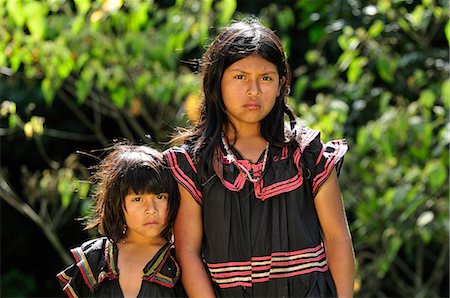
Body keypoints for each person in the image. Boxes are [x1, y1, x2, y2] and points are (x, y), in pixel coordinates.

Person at [165, 18, 355, 297]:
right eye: (240, 77)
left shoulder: (306, 153)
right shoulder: (194, 164)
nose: (254, 90)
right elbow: (188, 252)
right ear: (216, 82)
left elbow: (337, 238)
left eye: (265, 78)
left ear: (281, 84)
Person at [57, 144, 184, 297]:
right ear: (116, 203)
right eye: (137, 199)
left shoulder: (180, 261)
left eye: (160, 197)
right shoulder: (96, 260)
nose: (151, 209)